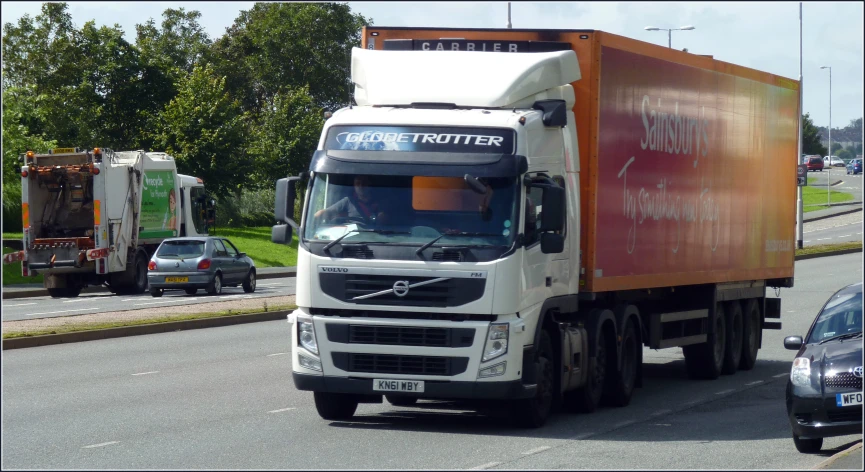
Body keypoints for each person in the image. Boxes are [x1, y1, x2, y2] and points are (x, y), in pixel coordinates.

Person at [314, 175, 387, 224]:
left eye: (364, 183)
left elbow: (385, 221)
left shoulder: (379, 202)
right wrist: (313, 219)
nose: (361, 186)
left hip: (375, 237)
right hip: (352, 239)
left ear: (369, 185)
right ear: (354, 187)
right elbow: (328, 212)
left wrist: (382, 217)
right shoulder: (348, 201)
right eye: (358, 183)